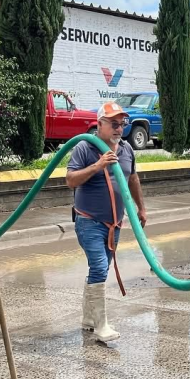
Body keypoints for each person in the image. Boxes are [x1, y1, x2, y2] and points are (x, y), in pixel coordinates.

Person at [66, 101, 147, 344]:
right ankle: (101, 325)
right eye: (113, 123)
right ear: (99, 124)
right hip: (88, 220)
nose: (118, 128)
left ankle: (88, 319)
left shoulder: (126, 150)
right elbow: (70, 180)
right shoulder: (84, 147)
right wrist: (98, 165)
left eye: (121, 124)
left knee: (100, 269)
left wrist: (141, 207)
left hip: (115, 224)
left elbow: (132, 178)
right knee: (100, 267)